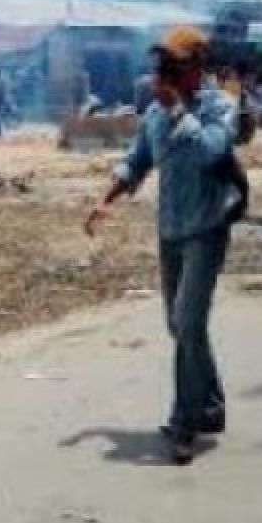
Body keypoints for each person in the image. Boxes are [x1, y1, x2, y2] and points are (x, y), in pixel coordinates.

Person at [84, 24, 242, 464]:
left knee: (188, 323)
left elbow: (212, 150)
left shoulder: (221, 107)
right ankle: (208, 406)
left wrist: (178, 114)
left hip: (206, 228)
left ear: (197, 68)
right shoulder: (155, 113)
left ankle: (184, 422)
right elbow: (136, 161)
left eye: (173, 66)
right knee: (179, 326)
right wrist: (105, 200)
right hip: (170, 230)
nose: (163, 74)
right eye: (161, 66)